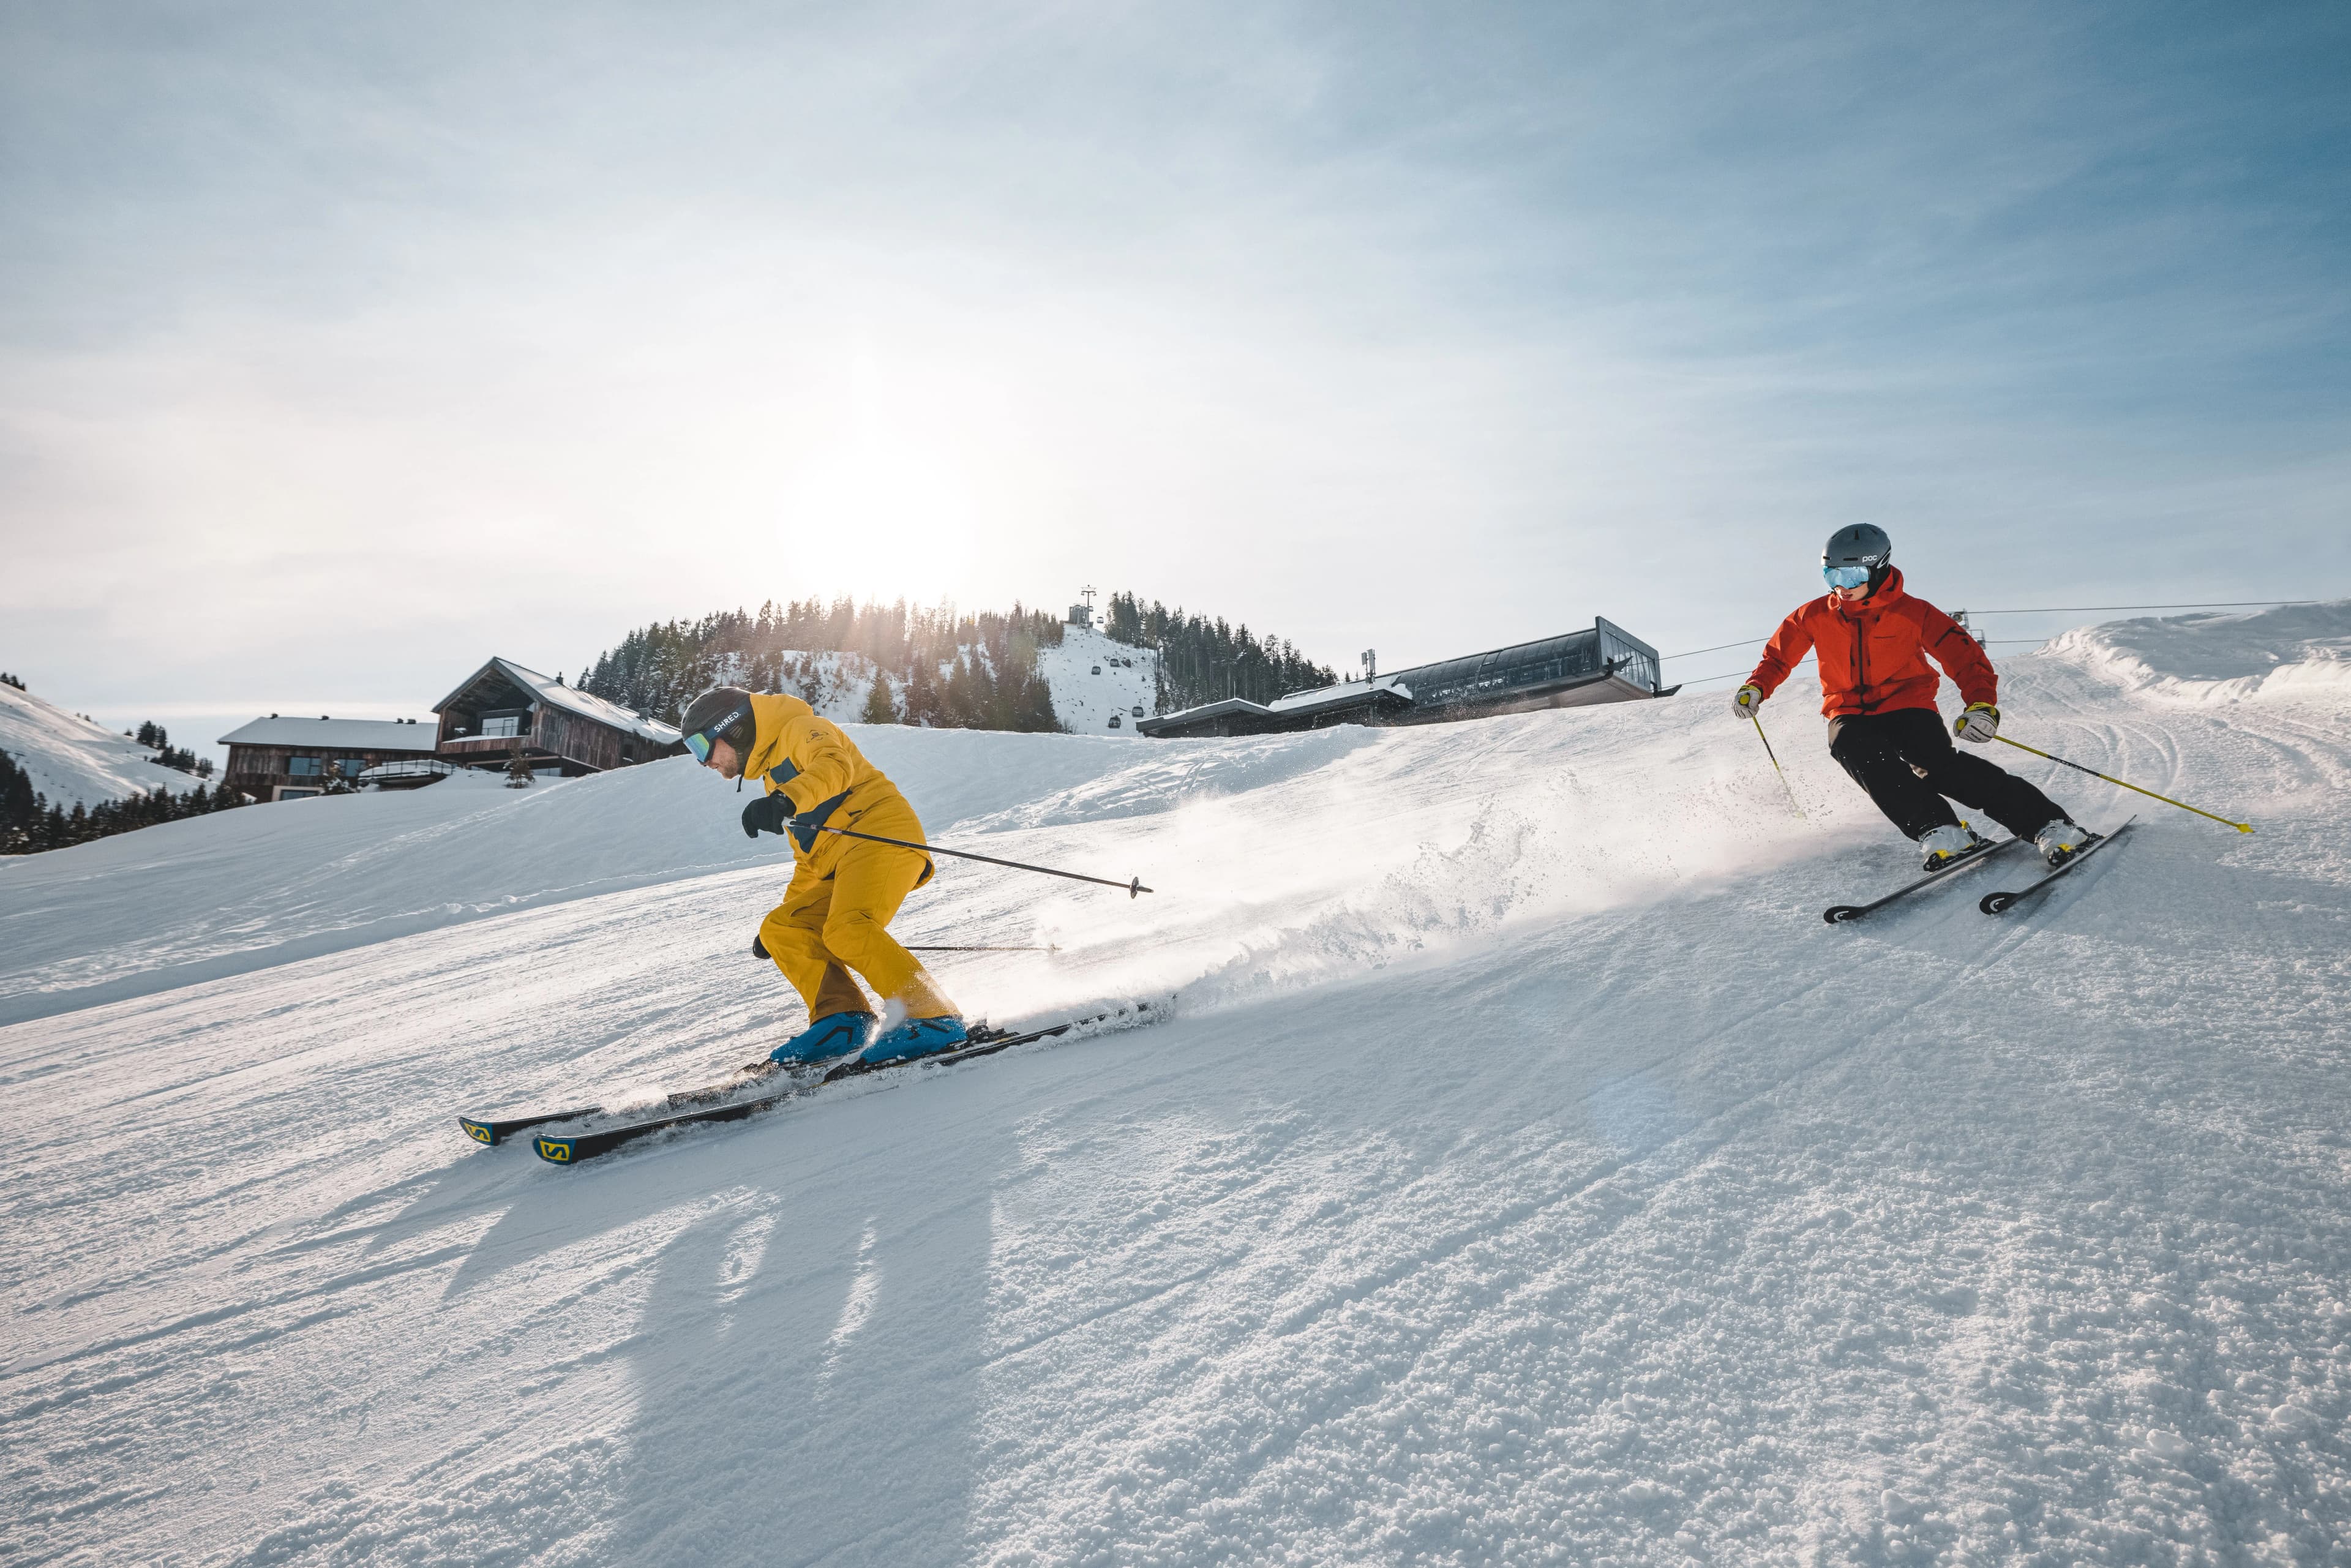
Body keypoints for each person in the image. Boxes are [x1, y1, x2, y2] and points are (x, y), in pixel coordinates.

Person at [1733, 525, 2091, 870]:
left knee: (1938, 766)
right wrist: (1756, 687)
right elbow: (1778, 658)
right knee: (1853, 747)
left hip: (1907, 703)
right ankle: (1941, 831)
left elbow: (1965, 658)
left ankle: (2050, 825)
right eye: (1832, 576)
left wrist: (1981, 704)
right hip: (1848, 710)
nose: (1843, 587)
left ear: (1879, 568)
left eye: (1854, 576)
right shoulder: (1812, 615)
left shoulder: (1913, 612)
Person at [678, 685, 969, 1066]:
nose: (704, 762)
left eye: (702, 747)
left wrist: (785, 800)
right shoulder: (773, 777)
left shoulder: (800, 729)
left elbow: (834, 767)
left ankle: (936, 1017)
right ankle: (842, 1020)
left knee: (847, 928)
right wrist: (785, 920)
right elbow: (808, 859)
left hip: (882, 835)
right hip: (839, 863)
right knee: (784, 928)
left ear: (733, 728)